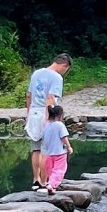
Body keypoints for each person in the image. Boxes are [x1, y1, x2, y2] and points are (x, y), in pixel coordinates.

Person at [24, 53, 71, 190]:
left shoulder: (36, 73)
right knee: (46, 151)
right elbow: (50, 99)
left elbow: (28, 95)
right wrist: (49, 119)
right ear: (64, 65)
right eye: (66, 69)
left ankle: (35, 180)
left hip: (33, 112)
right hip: (46, 114)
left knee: (35, 149)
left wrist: (28, 114)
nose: (64, 72)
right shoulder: (57, 77)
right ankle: (44, 183)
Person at [38, 105, 73, 196]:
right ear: (59, 115)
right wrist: (69, 147)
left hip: (48, 153)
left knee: (50, 170)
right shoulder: (59, 125)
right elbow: (63, 137)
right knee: (59, 170)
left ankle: (51, 186)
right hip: (60, 152)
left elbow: (42, 138)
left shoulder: (45, 125)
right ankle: (51, 185)